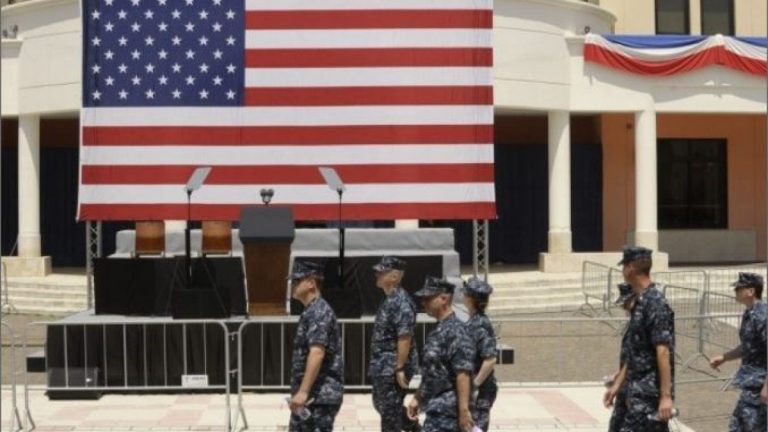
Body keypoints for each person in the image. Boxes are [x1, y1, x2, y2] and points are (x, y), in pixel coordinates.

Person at [615, 246, 676, 431]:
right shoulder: (642, 301)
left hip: (648, 393)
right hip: (635, 390)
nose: (622, 271)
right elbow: (635, 350)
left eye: (624, 266)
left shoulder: (655, 302)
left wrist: (666, 396)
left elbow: (663, 351)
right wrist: (618, 383)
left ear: (631, 267)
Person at [407, 277, 476, 432]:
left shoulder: (456, 331)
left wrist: (464, 412)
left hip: (449, 413)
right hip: (435, 409)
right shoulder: (438, 330)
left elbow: (463, 374)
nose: (423, 303)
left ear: (444, 299)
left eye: (428, 298)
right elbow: (432, 372)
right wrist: (418, 397)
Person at [287, 260, 344, 432]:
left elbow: (317, 353)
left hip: (319, 396)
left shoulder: (318, 312)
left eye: (297, 281)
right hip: (313, 396)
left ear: (311, 283)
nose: (293, 286)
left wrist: (303, 391)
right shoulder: (311, 311)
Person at [709, 272, 767, 432]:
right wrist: (724, 357)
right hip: (751, 383)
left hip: (760, 384)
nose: (736, 291)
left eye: (739, 288)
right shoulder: (750, 313)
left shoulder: (763, 316)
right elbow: (749, 346)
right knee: (739, 425)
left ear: (751, 291)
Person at [369, 256, 421, 432]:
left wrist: (399, 368)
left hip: (392, 367)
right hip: (383, 366)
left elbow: (404, 337)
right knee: (382, 405)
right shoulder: (389, 299)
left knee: (389, 413)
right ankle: (414, 428)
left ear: (395, 277)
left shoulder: (402, 302)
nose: (376, 275)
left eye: (381, 272)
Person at [462, 276, 498, 432]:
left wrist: (474, 384)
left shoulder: (479, 325)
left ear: (471, 299)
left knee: (476, 428)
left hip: (481, 391)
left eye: (466, 293)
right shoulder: (474, 321)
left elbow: (490, 359)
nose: (463, 296)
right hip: (476, 389)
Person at [604, 282, 637, 432]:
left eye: (626, 302)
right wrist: (617, 376)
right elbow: (630, 358)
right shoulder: (633, 323)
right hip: (624, 385)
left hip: (636, 388)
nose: (624, 307)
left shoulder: (642, 324)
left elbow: (638, 358)